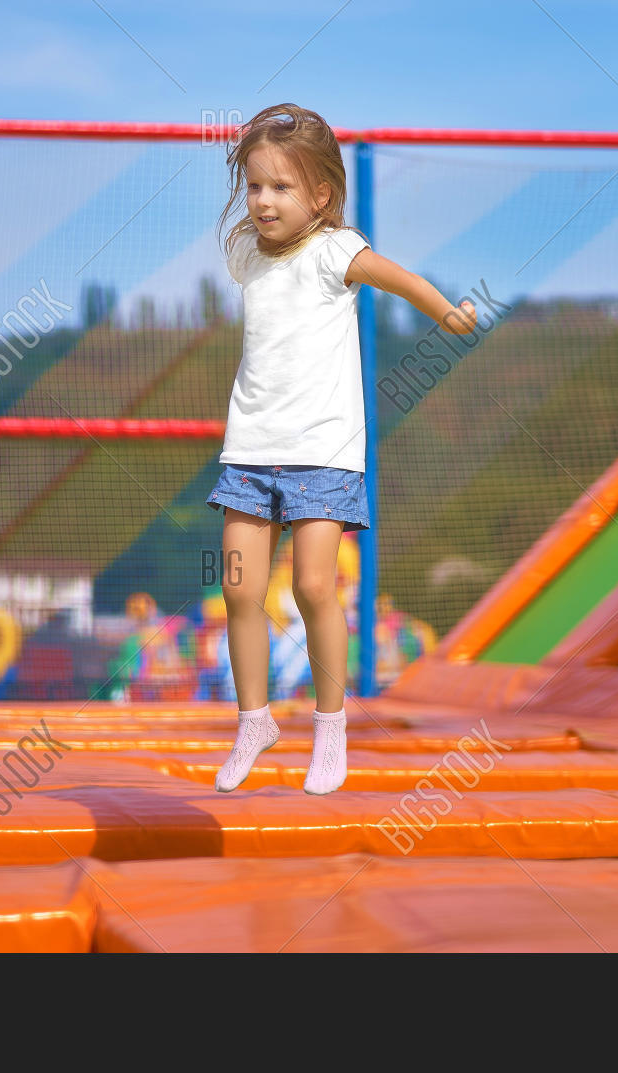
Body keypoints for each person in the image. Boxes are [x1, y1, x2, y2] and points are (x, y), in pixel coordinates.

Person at [204, 103, 476, 794]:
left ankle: (330, 725)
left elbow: (399, 278)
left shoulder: (334, 249)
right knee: (239, 587)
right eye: (255, 186)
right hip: (251, 450)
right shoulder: (244, 254)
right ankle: (255, 719)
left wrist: (446, 312)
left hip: (322, 452)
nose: (263, 201)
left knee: (314, 585)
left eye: (281, 187)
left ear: (320, 195)